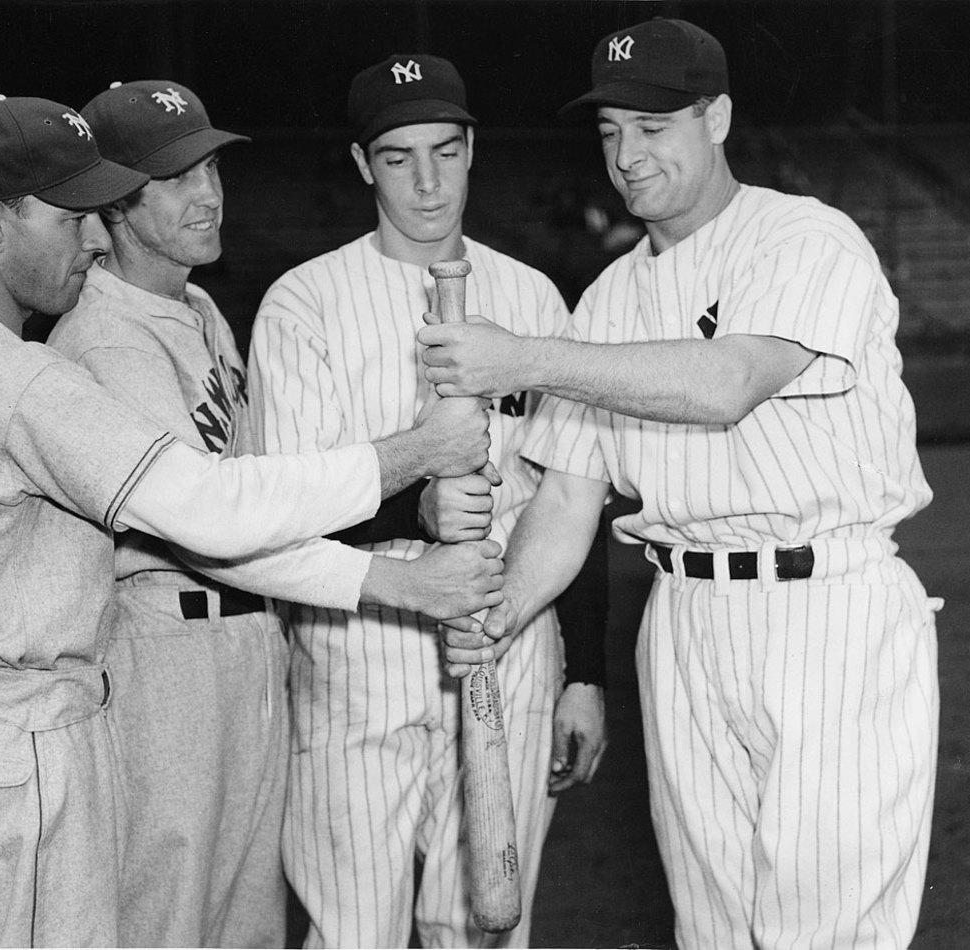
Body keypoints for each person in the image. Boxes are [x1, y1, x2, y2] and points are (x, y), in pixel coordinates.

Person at [0, 94, 500, 949]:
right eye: (72, 218)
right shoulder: (21, 378)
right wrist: (415, 457)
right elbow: (206, 510)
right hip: (11, 741)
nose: (94, 238)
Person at [421, 18, 942, 950]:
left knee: (822, 928)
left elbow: (725, 383)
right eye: (612, 131)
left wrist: (525, 357)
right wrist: (497, 613)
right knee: (710, 929)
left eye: (655, 127)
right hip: (685, 620)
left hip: (828, 609)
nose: (628, 155)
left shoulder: (804, 238)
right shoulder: (611, 298)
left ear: (720, 118)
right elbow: (568, 500)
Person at [46, 79, 504, 948]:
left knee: (247, 925)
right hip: (163, 653)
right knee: (168, 917)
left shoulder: (195, 307)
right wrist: (405, 574)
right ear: (111, 199)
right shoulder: (105, 338)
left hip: (245, 645)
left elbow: (267, 501)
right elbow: (215, 528)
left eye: (211, 167)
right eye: (174, 179)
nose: (209, 194)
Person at [245, 54, 607, 948]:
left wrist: (587, 673)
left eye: (445, 150)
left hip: (510, 642)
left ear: (472, 147)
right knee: (353, 933)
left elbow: (575, 492)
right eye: (399, 157)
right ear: (363, 165)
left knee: (485, 926)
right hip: (357, 651)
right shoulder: (305, 305)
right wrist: (415, 515)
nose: (428, 180)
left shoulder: (532, 299)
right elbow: (282, 507)